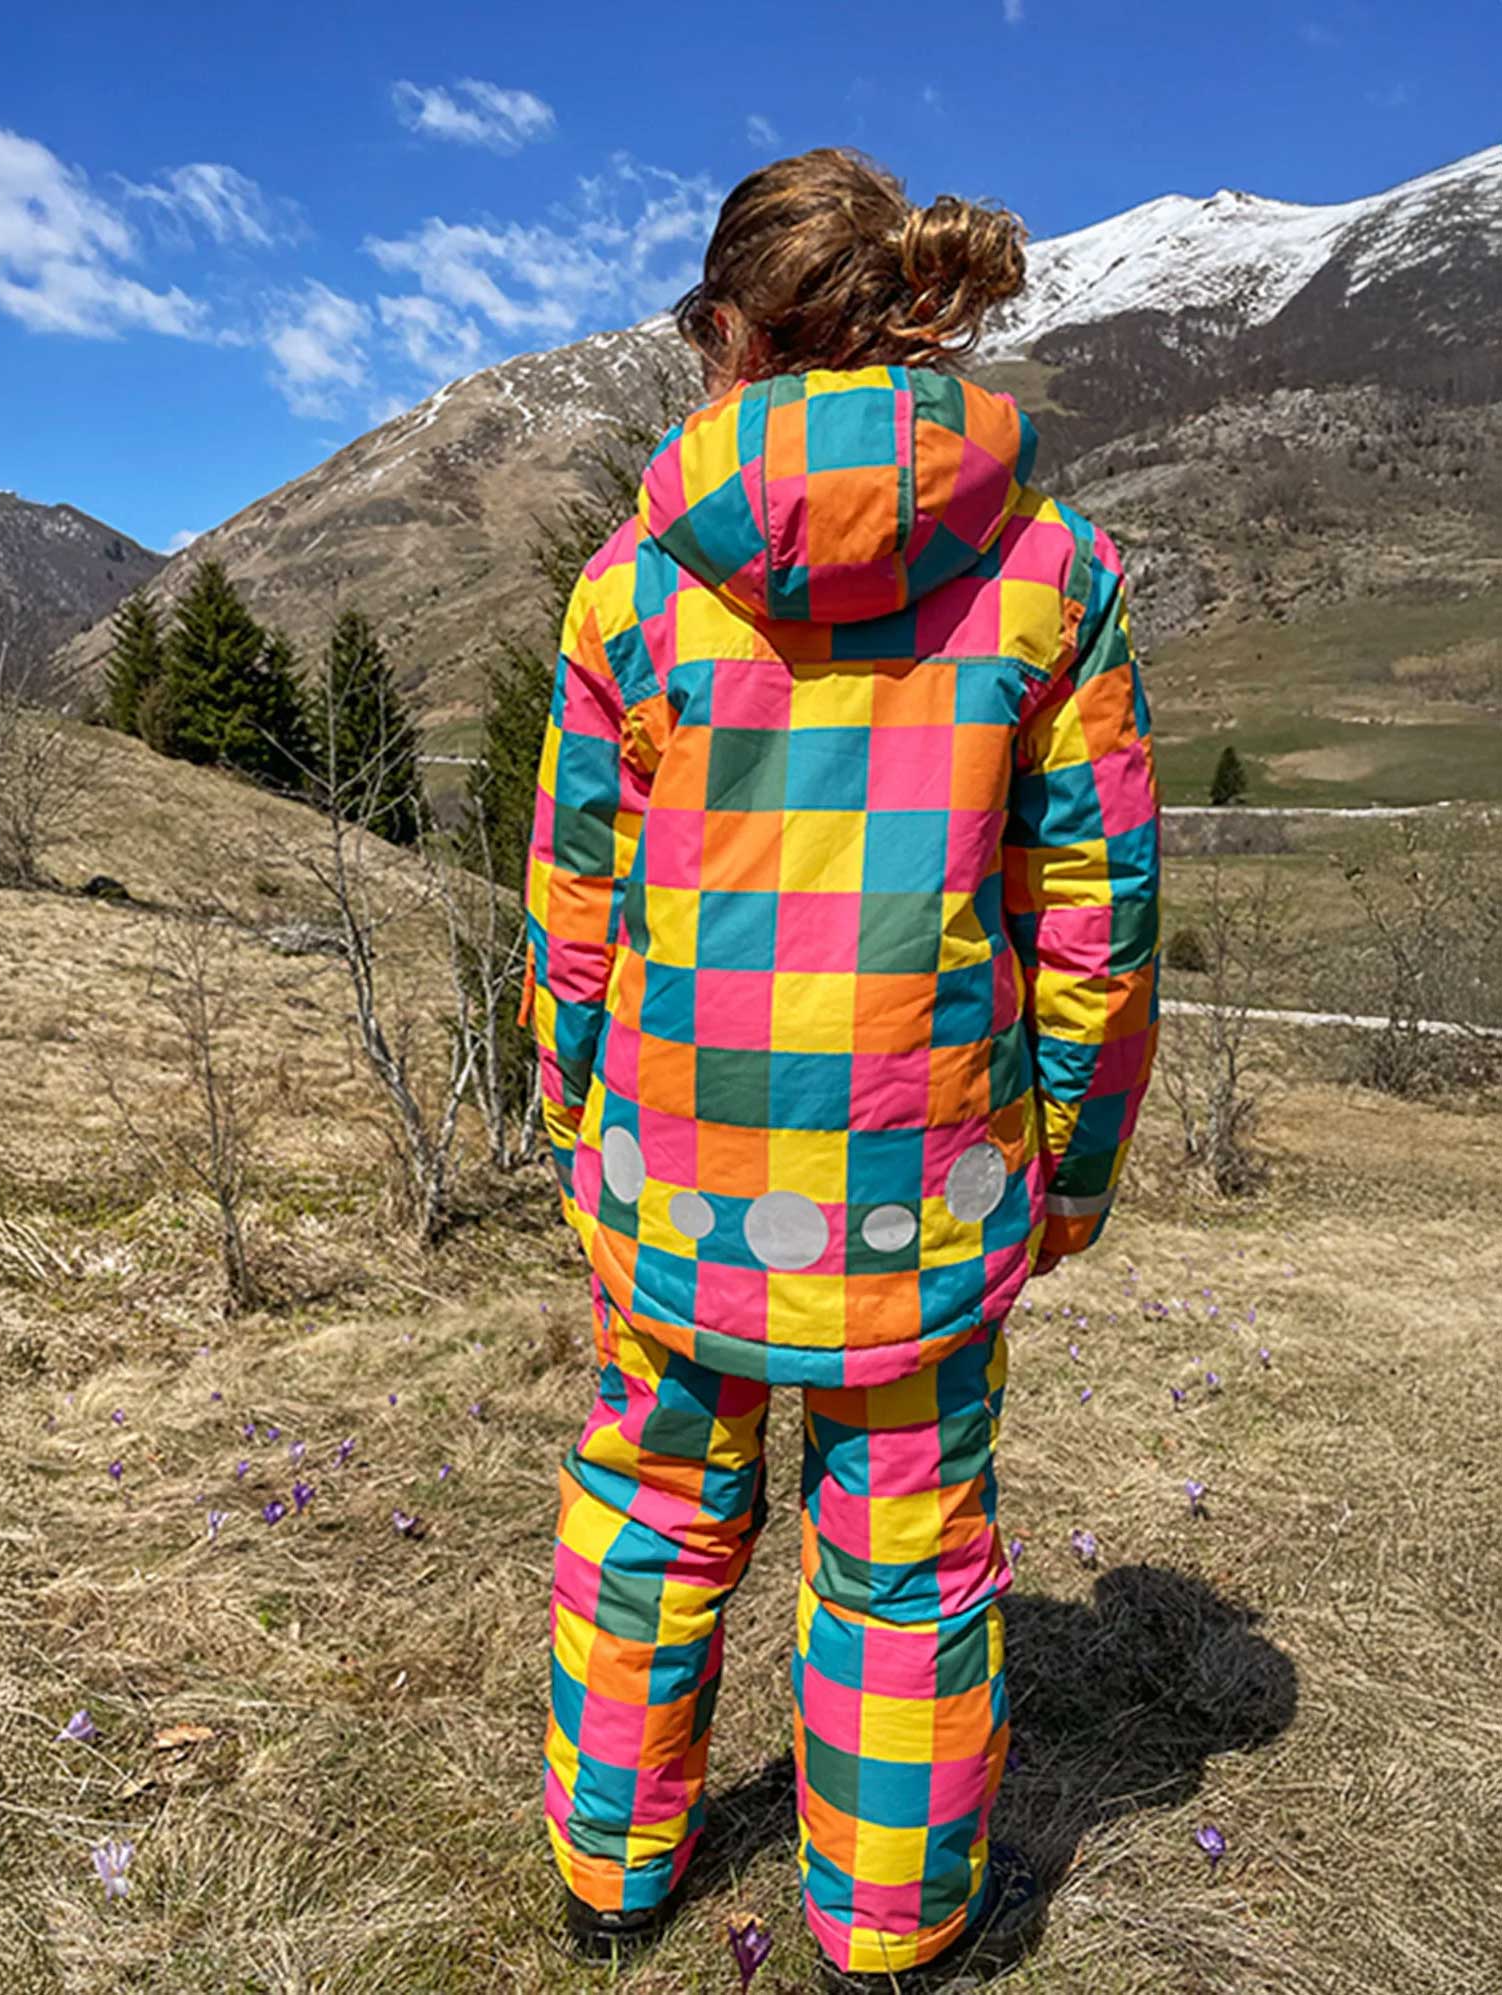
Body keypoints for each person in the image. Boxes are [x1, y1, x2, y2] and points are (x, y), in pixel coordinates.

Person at [521, 146, 1160, 1990]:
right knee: (904, 1555)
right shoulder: (1052, 573)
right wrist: (1077, 1161)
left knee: (647, 1511)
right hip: (925, 1170)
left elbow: (575, 886)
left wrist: (582, 1108)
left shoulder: (630, 587)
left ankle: (608, 1870)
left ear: (728, 330)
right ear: (907, 313)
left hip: (672, 1166)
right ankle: (882, 1930)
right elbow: (1098, 911)